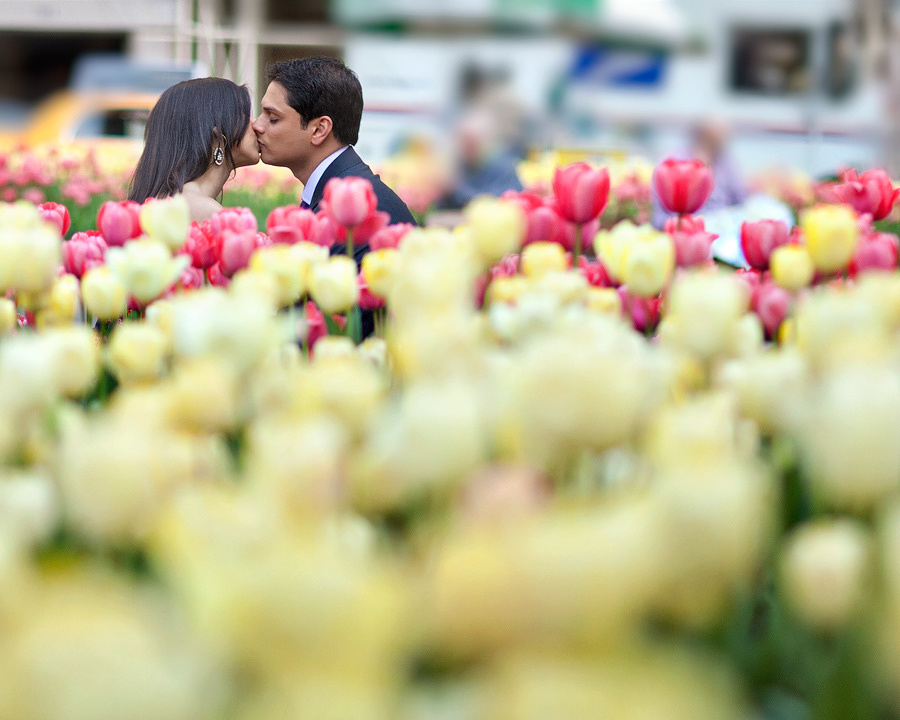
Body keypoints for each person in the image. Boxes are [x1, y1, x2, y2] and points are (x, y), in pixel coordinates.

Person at [252, 55, 416, 267]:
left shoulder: (356, 213)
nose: (257, 125)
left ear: (320, 129)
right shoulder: (345, 190)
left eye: (272, 118)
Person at [129, 77, 260, 221]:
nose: (257, 124)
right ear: (217, 133)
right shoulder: (204, 211)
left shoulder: (166, 201)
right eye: (247, 115)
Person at [652, 119, 749, 229]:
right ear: (700, 135)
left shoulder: (726, 163)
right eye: (714, 139)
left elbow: (741, 200)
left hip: (720, 229)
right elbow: (658, 214)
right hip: (677, 227)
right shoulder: (671, 161)